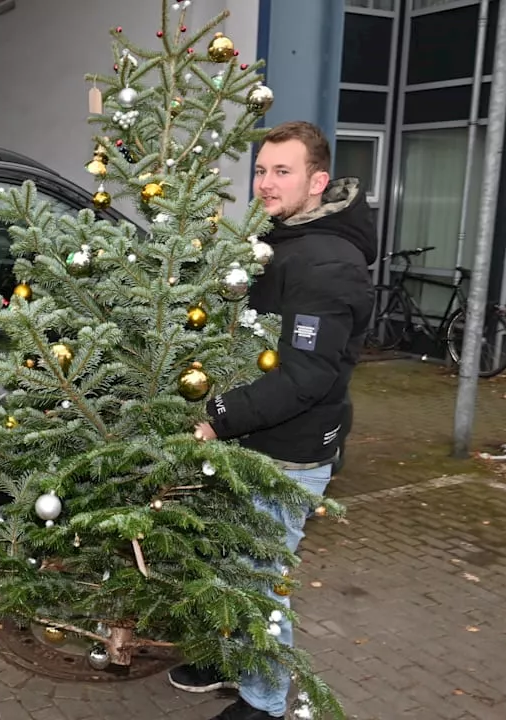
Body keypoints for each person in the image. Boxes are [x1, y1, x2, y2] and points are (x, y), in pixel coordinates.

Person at [170, 120, 377, 719]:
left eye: (281, 171)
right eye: (260, 170)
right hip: (251, 436)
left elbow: (307, 376)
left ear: (319, 181)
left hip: (287, 450)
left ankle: (263, 702)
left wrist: (216, 417)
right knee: (225, 559)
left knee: (260, 578)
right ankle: (222, 655)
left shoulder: (330, 262)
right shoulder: (280, 238)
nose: (265, 183)